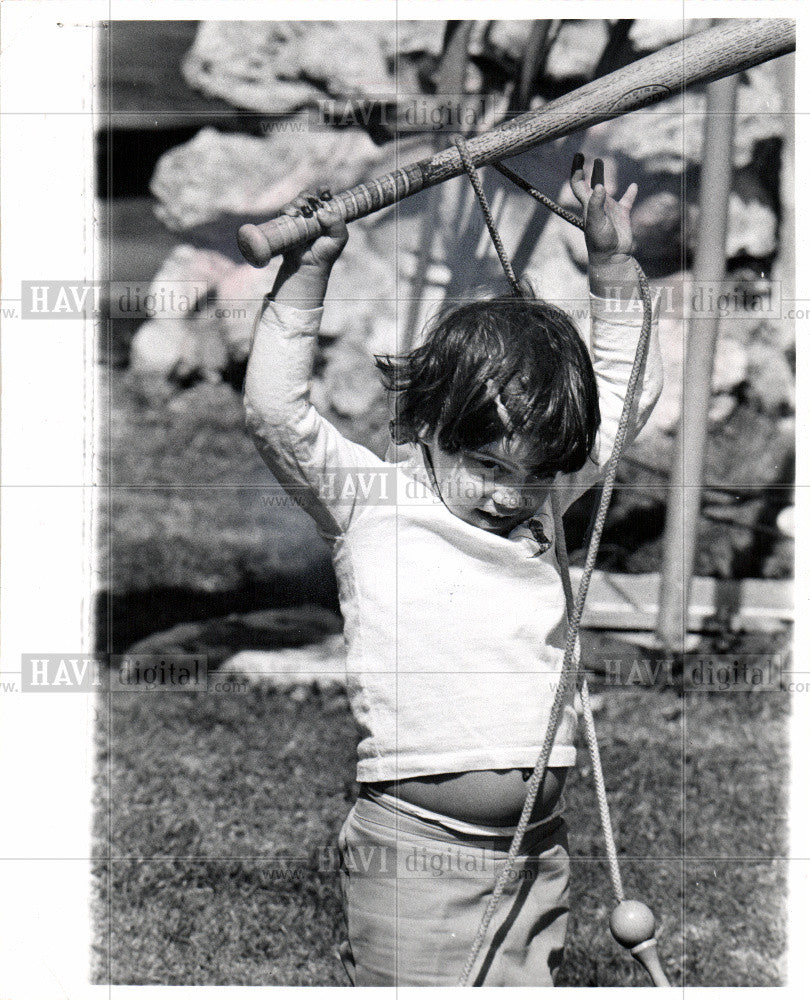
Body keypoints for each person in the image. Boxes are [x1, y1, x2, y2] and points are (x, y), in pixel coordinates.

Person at [243, 155, 663, 986]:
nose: (510, 496)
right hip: (417, 858)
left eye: (535, 472)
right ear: (430, 420)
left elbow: (627, 391)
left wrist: (612, 268)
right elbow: (276, 416)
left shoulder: (541, 498)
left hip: (536, 856)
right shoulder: (373, 504)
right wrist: (309, 270)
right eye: (487, 466)